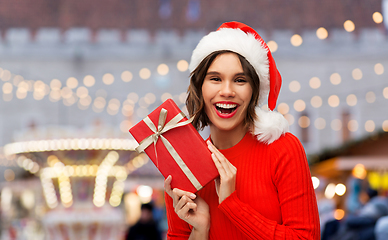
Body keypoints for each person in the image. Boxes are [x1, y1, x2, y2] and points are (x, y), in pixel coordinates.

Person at [164, 21, 320, 239]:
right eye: (215, 79)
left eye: (240, 80)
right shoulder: (183, 165)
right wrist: (200, 230)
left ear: (254, 91)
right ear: (200, 87)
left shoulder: (283, 149)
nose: (227, 91)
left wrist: (232, 206)